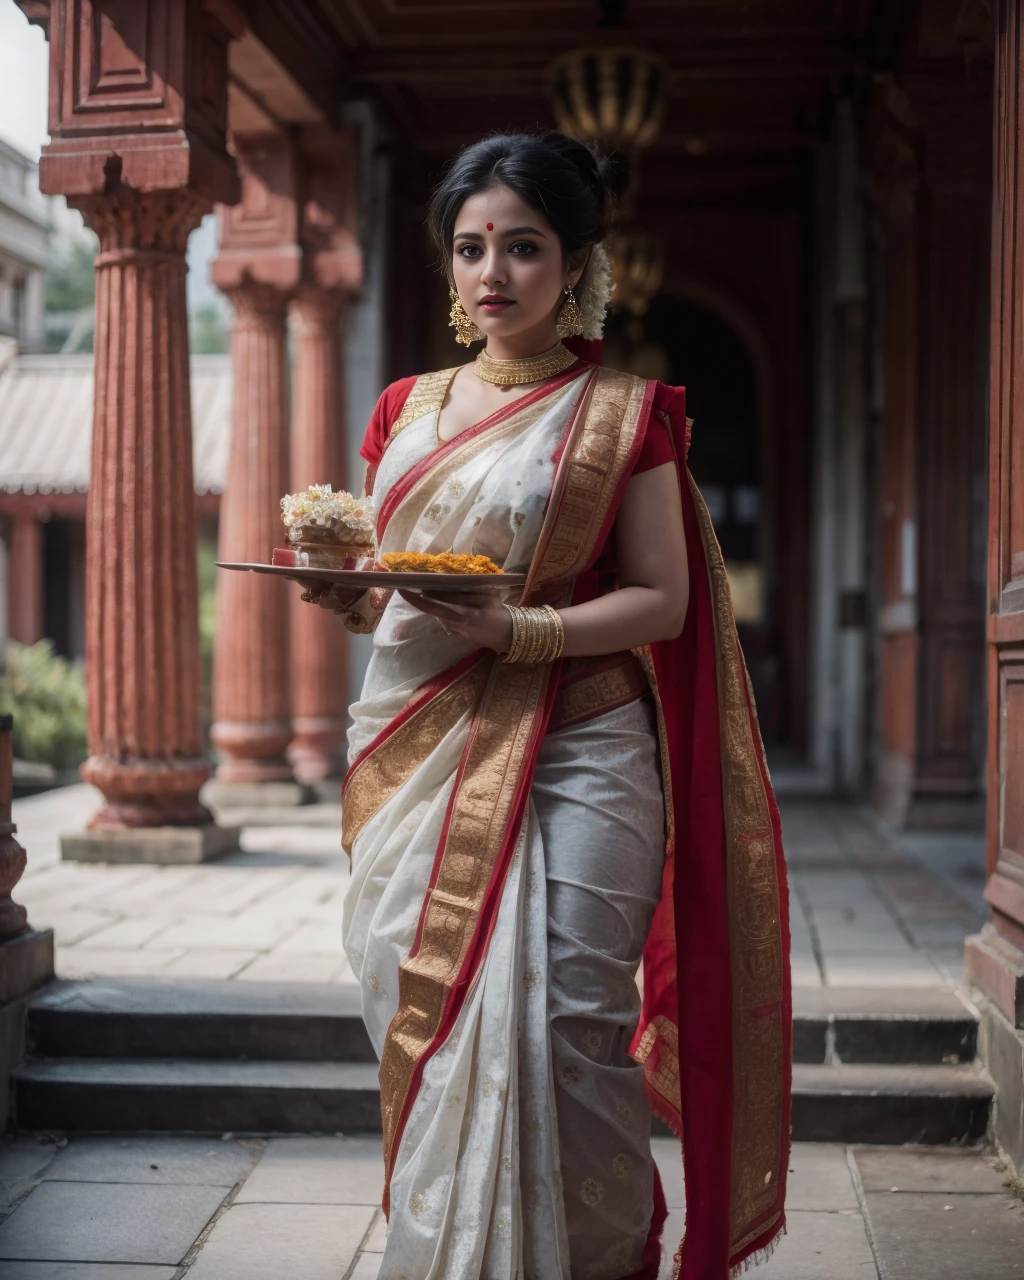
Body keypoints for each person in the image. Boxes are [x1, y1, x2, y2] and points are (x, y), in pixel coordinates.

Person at [307, 131, 791, 1280]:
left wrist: (524, 631)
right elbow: (399, 600)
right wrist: (348, 595)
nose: (493, 272)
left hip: (585, 738)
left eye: (523, 246)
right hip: (421, 743)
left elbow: (663, 600)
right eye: (471, 247)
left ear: (577, 262)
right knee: (430, 1004)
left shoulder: (628, 416)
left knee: (571, 1018)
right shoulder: (403, 411)